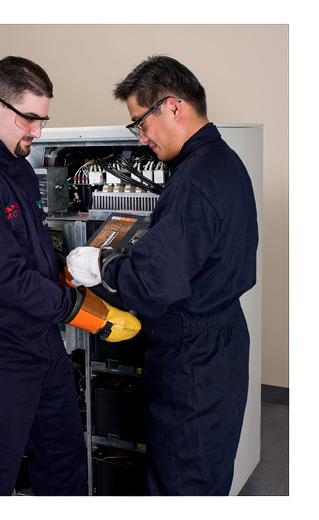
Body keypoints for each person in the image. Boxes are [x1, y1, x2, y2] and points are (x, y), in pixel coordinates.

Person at [0, 56, 141, 496]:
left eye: (43, 120)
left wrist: (65, 269)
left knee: (64, 460)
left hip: (38, 342)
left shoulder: (15, 165)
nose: (38, 132)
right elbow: (5, 278)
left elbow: (27, 251)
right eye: (30, 118)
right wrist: (90, 314)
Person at [66, 55, 258, 495]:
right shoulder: (224, 161)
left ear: (173, 106)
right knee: (206, 475)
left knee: (180, 481)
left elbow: (153, 285)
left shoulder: (192, 181)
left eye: (141, 122)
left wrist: (100, 265)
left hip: (191, 359)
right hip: (221, 342)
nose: (141, 137)